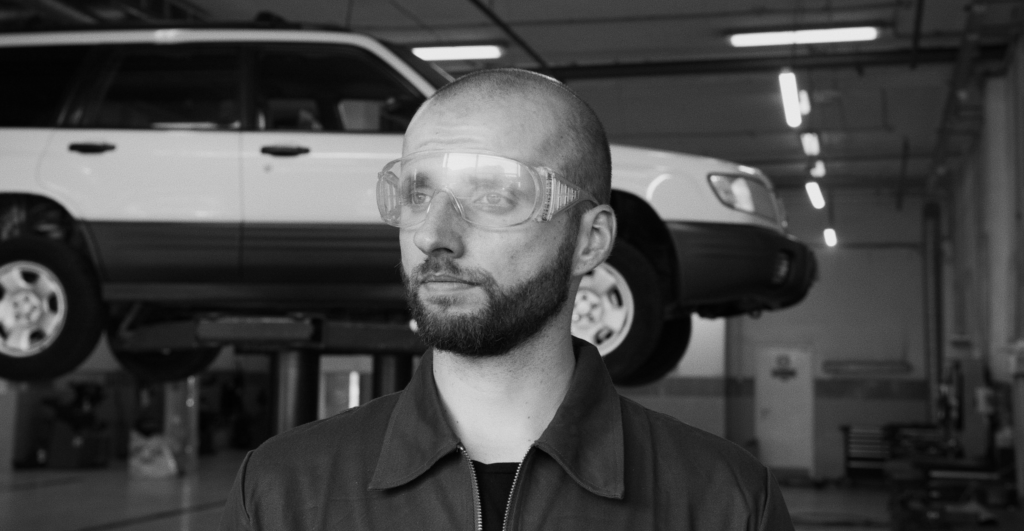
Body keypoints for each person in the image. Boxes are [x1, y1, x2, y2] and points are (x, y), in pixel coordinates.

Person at [220, 69, 794, 531]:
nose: (432, 234)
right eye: (417, 195)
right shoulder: (278, 493)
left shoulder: (727, 503)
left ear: (590, 241)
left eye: (493, 195)